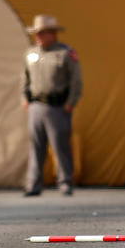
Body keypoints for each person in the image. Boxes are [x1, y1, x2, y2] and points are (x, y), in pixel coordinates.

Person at [21, 14, 82, 197]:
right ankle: (33, 184)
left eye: (42, 33)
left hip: (57, 106)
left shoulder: (64, 53)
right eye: (37, 33)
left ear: (52, 34)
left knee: (60, 145)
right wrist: (25, 98)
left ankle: (65, 182)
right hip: (36, 105)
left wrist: (71, 103)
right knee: (36, 146)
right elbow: (24, 79)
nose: (38, 37)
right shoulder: (31, 54)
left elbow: (76, 81)